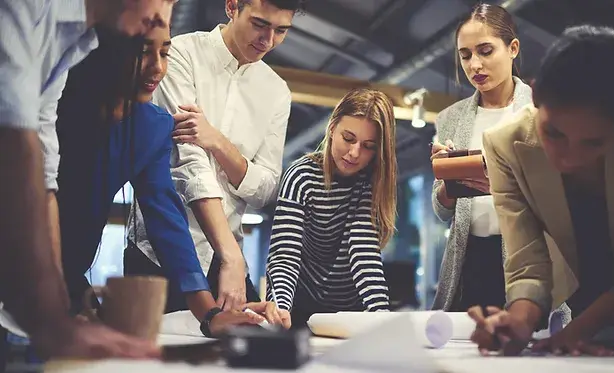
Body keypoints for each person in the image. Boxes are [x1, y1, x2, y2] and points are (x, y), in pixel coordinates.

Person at [56, 24, 290, 337]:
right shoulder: (52, 107)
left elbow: (166, 218)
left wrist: (208, 314)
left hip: (66, 269)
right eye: (142, 53)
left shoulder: (150, 127)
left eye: (165, 53)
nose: (158, 68)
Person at [470, 25, 614, 356]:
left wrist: (581, 329)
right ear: (535, 97)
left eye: (593, 142)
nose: (568, 158)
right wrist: (518, 321)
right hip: (589, 307)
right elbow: (526, 263)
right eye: (555, 133)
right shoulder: (504, 145)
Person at [0, 0, 176, 360]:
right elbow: (14, 143)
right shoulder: (24, 6)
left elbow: (43, 173)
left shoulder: (70, 41)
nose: (164, 15)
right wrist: (51, 321)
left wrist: (60, 308)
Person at [127, 0, 302, 313]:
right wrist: (231, 254)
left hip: (226, 260)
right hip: (159, 252)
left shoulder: (277, 92)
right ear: (232, 6)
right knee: (150, 359)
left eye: (281, 30)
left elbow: (267, 189)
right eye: (260, 24)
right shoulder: (179, 54)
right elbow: (186, 162)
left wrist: (218, 142)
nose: (268, 40)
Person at [266, 88, 396, 328]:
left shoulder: (370, 183)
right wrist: (281, 306)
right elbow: (285, 254)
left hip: (349, 313)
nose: (354, 153)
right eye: (348, 138)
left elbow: (364, 253)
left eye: (368, 146)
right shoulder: (301, 175)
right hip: (298, 307)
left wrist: (381, 316)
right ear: (332, 127)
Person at [430, 3, 528, 312]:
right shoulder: (450, 118)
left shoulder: (539, 111)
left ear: (512, 48)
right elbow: (441, 209)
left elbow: (562, 199)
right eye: (466, 55)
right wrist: (447, 183)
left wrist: (500, 184)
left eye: (485, 51)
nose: (474, 65)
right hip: (468, 258)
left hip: (527, 258)